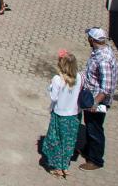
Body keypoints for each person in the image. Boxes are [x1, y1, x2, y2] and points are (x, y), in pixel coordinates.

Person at [77, 27, 118, 172]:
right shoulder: (100, 51)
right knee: (90, 126)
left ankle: (95, 160)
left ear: (93, 40)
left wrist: (94, 103)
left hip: (97, 101)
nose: (87, 39)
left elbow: (106, 88)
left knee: (95, 129)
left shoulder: (104, 59)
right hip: (91, 96)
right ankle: (88, 150)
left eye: (89, 37)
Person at [40, 50, 83, 178]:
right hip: (74, 116)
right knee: (68, 142)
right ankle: (65, 166)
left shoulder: (57, 79)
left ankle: (58, 167)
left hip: (60, 115)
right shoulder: (79, 77)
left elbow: (54, 97)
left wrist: (50, 87)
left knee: (55, 141)